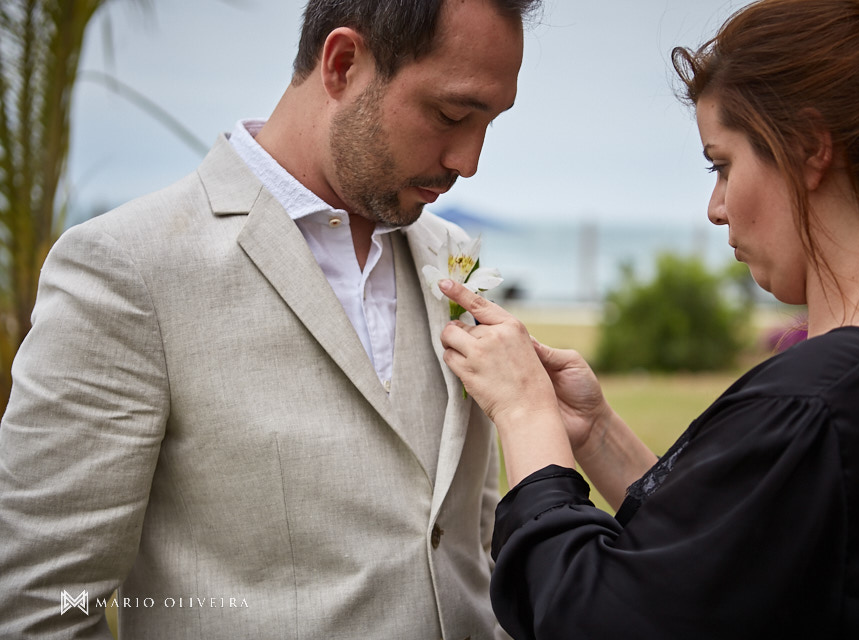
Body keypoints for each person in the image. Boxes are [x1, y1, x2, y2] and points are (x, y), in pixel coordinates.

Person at [0, 0, 539, 637]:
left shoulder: (451, 256)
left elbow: (470, 541)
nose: (468, 160)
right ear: (342, 64)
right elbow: (43, 605)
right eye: (451, 114)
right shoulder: (129, 269)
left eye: (489, 123)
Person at [437, 0, 859, 638]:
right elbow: (728, 566)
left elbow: (595, 618)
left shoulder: (823, 403)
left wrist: (526, 415)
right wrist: (597, 433)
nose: (715, 208)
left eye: (723, 164)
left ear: (809, 150)